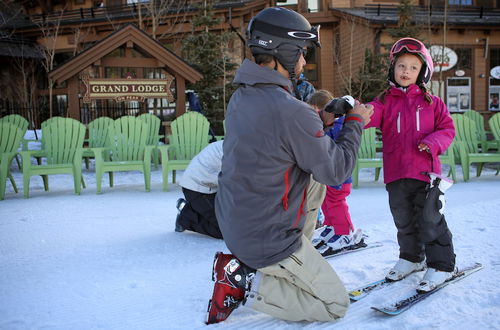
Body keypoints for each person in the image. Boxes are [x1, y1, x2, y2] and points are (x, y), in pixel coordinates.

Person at [206, 7, 373, 324]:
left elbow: (285, 139)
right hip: (267, 238)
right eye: (301, 53)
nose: (303, 62)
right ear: (284, 50)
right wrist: (354, 122)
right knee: (334, 306)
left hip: (236, 222)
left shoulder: (243, 97)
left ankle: (290, 264)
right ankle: (244, 281)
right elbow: (336, 170)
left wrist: (322, 119)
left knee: (313, 180)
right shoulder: (292, 111)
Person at [366, 37, 456, 292]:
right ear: (393, 69)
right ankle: (411, 258)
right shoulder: (385, 101)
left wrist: (433, 141)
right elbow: (368, 114)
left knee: (430, 218)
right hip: (396, 173)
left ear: (422, 72)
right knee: (403, 219)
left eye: (412, 67)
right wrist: (351, 111)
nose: (406, 71)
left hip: (425, 173)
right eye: (401, 66)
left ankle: (442, 265)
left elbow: (447, 129)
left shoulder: (432, 103)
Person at [307, 90, 364, 254]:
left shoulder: (339, 126)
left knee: (336, 203)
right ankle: (332, 227)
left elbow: (338, 148)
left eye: (316, 111)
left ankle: (345, 232)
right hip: (327, 174)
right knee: (325, 202)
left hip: (340, 177)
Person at [174, 140, 223, 239]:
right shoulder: (234, 151)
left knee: (235, 224)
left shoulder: (236, 145)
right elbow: (236, 183)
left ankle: (196, 210)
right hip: (197, 189)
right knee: (227, 231)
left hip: (213, 188)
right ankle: (185, 217)